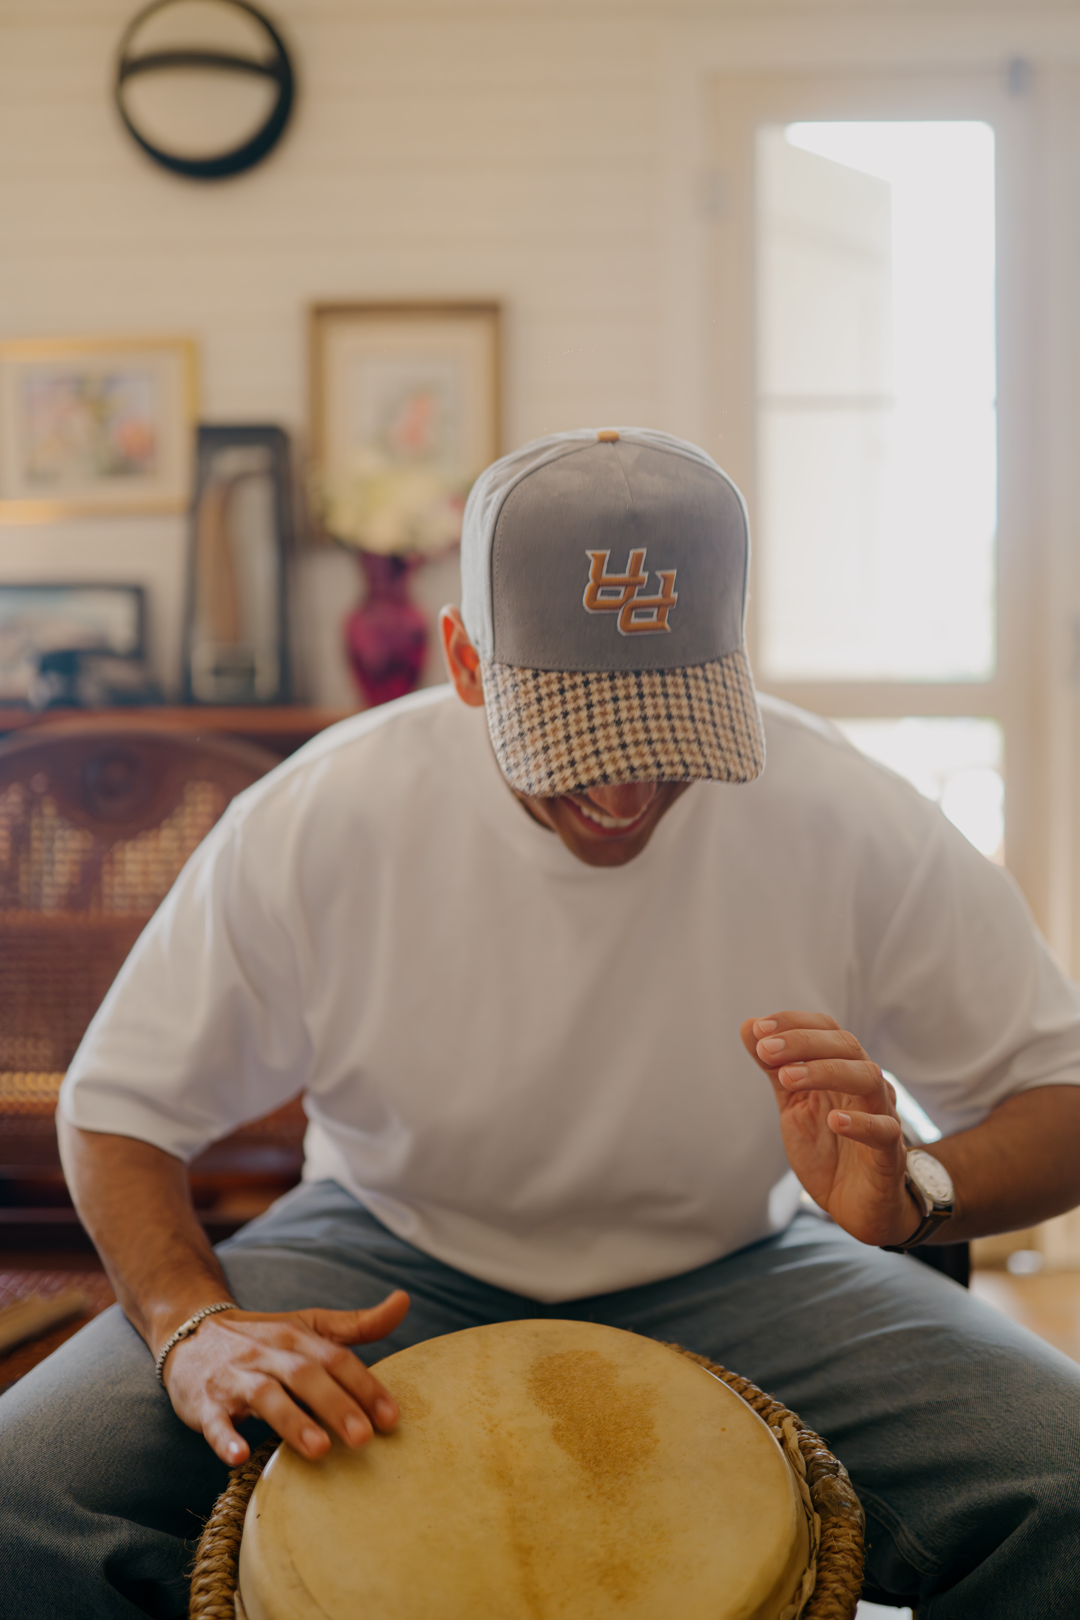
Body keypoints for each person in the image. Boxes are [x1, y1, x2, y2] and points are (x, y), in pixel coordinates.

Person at [2, 426, 1080, 1619]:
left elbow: (1060, 1094)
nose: (622, 794)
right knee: (27, 1497)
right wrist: (191, 1324)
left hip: (744, 1259)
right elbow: (118, 1109)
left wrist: (914, 1189)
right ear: (466, 661)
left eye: (665, 735)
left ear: (732, 664)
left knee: (1066, 1486)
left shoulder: (850, 813)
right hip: (384, 1248)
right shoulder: (322, 814)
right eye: (575, 738)